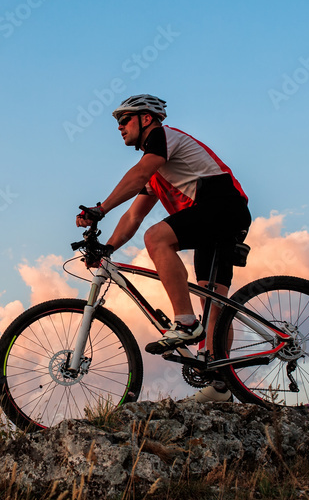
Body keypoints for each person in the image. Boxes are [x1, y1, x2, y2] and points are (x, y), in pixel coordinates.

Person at [76, 94, 251, 402]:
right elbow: (134, 215)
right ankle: (222, 385)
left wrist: (100, 209)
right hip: (220, 215)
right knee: (214, 304)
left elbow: (140, 174)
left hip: (222, 205)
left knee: (157, 238)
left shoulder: (160, 138)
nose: (119, 127)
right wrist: (107, 249)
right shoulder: (158, 169)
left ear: (147, 119)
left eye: (124, 119)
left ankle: (184, 323)